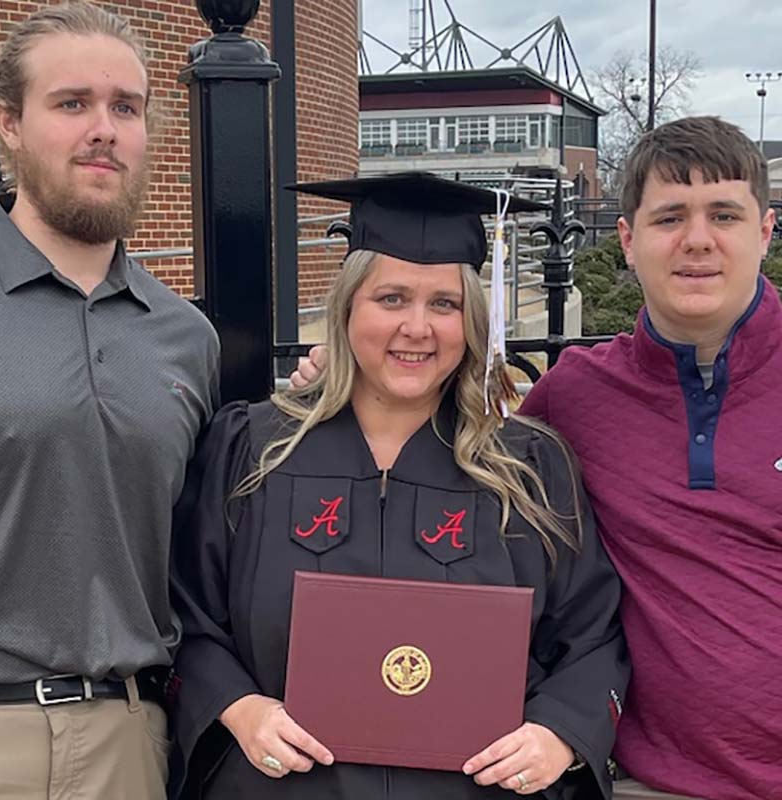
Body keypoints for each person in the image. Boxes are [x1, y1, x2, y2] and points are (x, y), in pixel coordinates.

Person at [293, 119, 782, 800]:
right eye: (670, 216)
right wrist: (348, 371)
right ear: (627, 240)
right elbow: (457, 458)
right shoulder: (576, 397)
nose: (697, 239)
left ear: (764, 231)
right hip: (654, 781)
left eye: (724, 215)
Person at [168, 172, 629, 800]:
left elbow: (593, 633)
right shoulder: (255, 449)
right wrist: (240, 708)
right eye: (391, 299)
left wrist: (558, 733)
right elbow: (187, 615)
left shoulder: (529, 468)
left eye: (444, 304)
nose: (418, 327)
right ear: (348, 307)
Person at [0, 3, 219, 798]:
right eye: (72, 103)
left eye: (126, 107)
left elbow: (205, 546)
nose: (104, 129)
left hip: (128, 739)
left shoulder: (185, 336)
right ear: (9, 124)